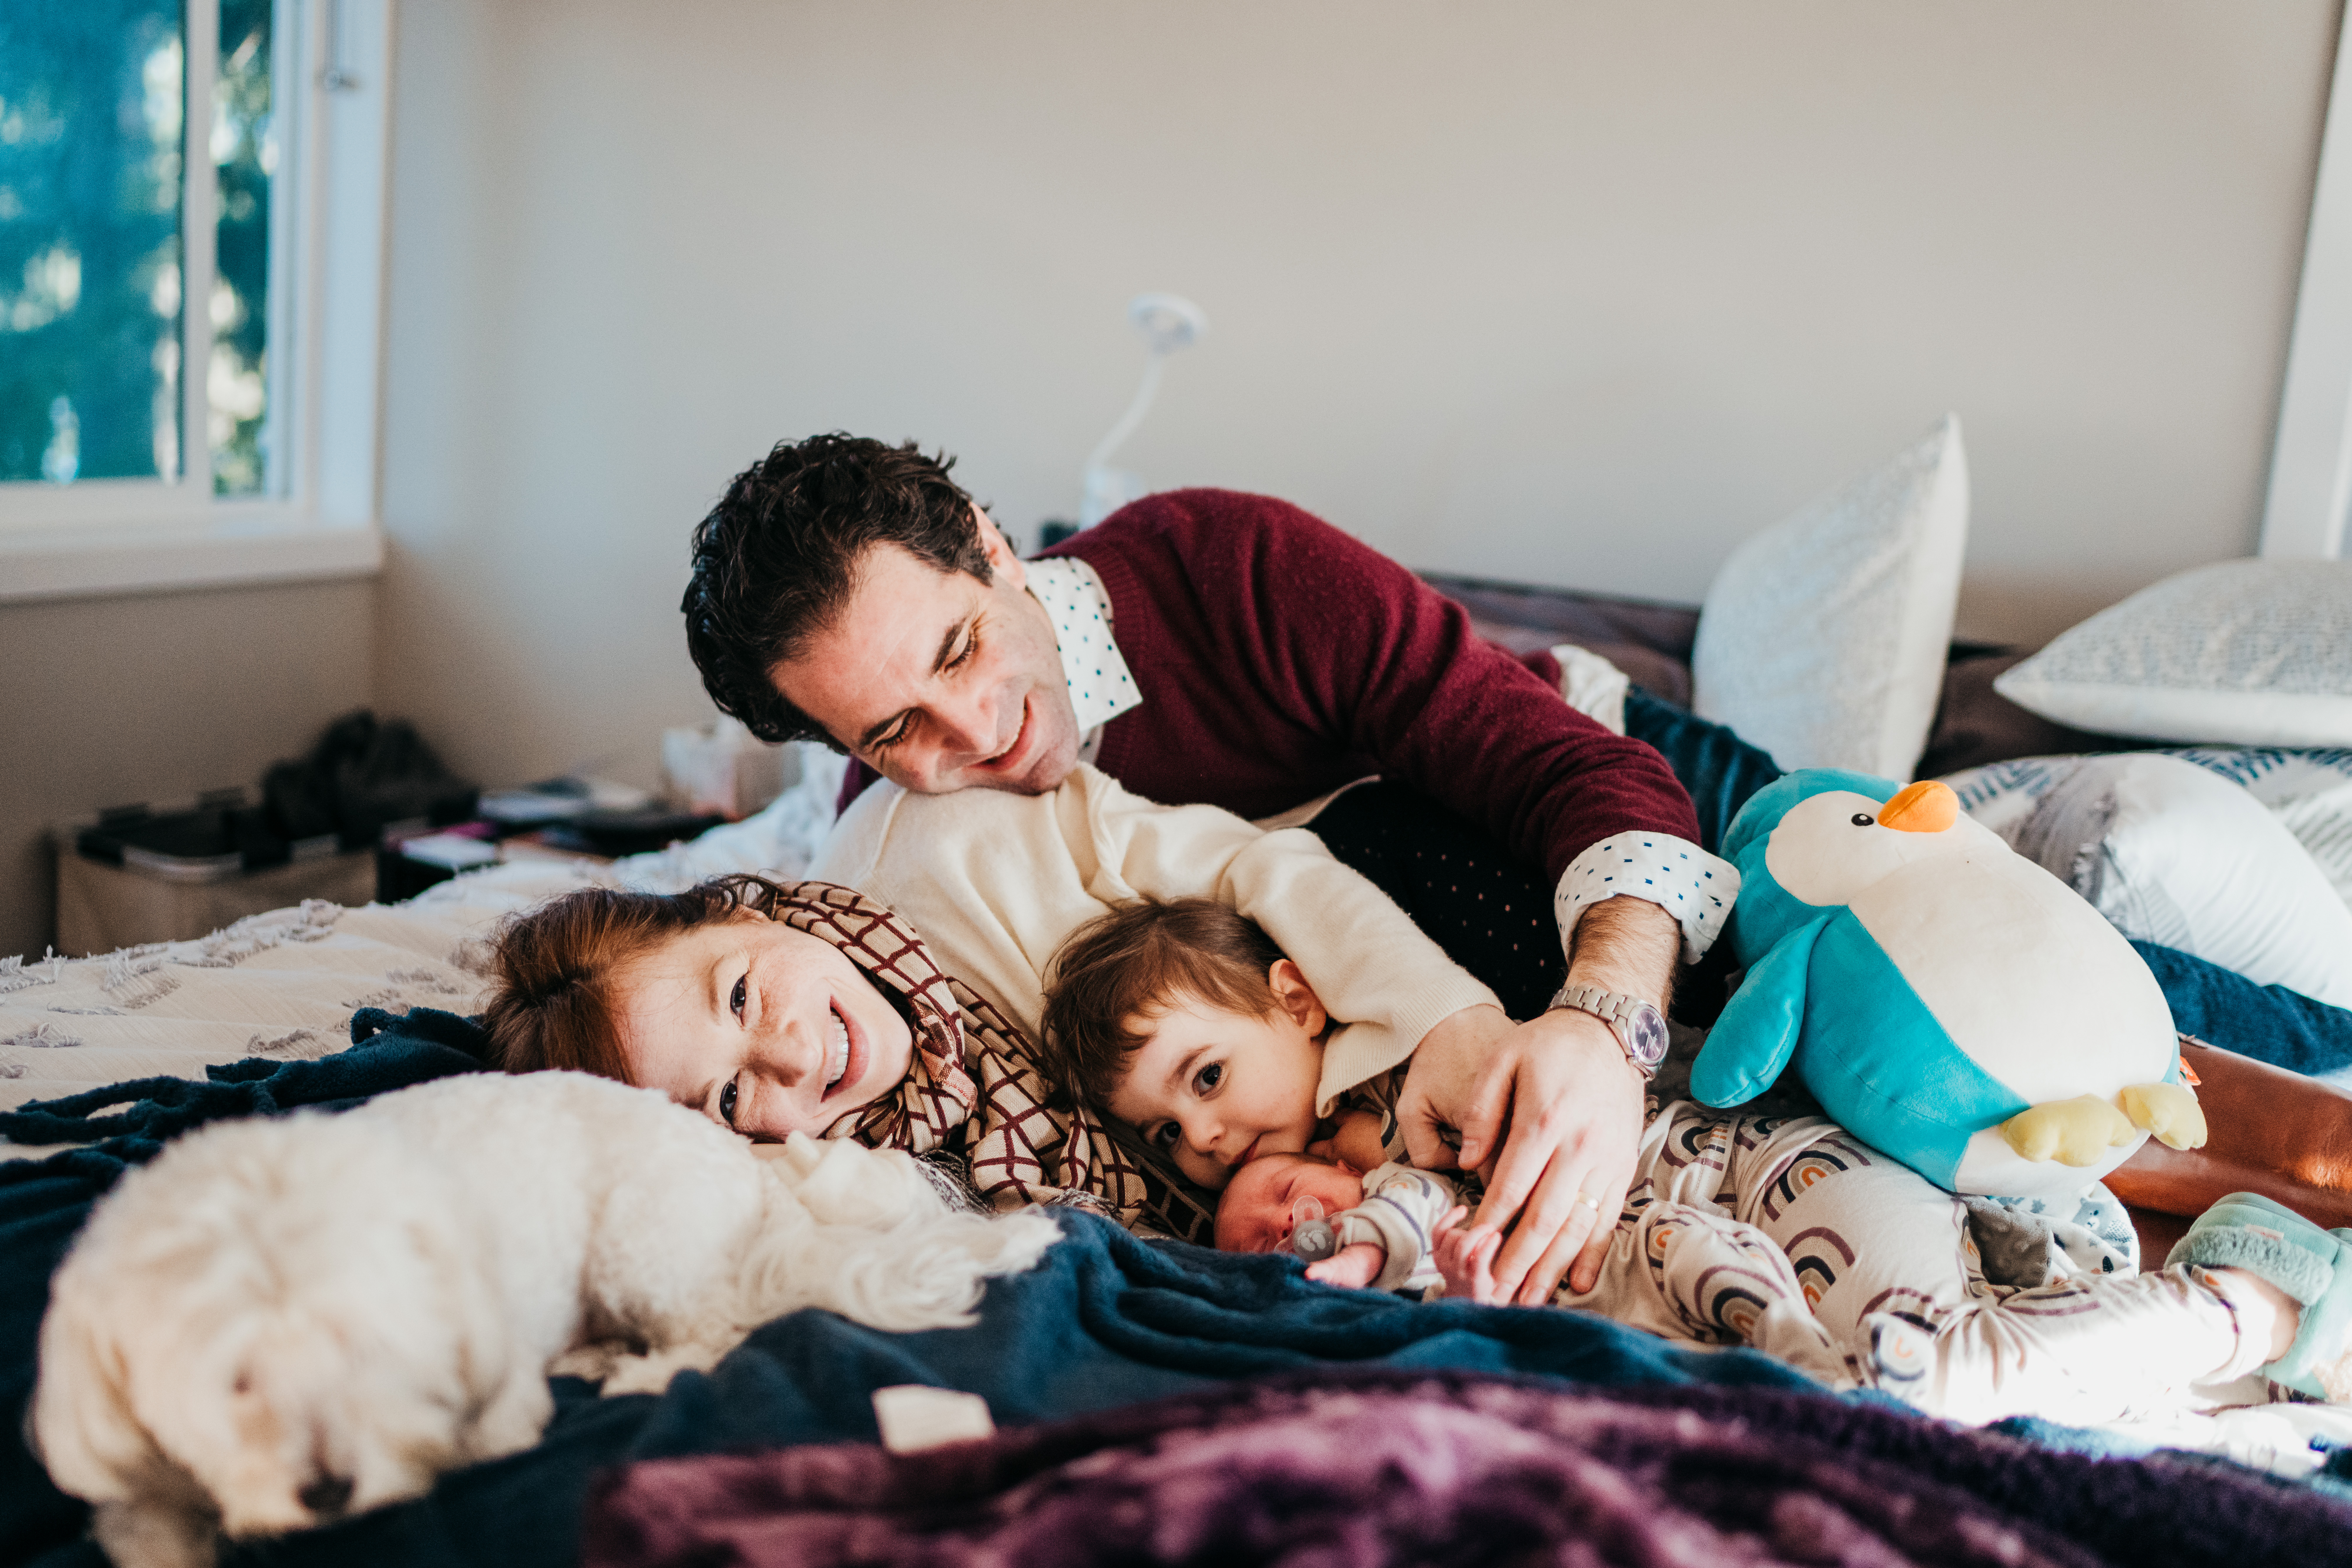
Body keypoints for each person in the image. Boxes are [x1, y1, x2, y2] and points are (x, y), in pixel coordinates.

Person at [681, 434, 1738, 1302]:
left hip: (1598, 755)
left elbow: (1577, 774)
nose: (977, 732)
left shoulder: (1231, 566)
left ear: (990, 547)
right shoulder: (898, 861)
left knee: (1860, 865)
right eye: (895, 727)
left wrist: (1607, 1028)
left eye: (958, 649)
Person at [1043, 895, 2352, 1424]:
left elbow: (1400, 1200)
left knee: (1918, 1362)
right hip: (1717, 1257)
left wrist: (1367, 1239)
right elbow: (1393, 1230)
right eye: (1166, 1134)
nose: (1205, 1141)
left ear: (1293, 997)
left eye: (1202, 1080)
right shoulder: (1341, 1173)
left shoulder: (1421, 1056)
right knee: (1877, 1374)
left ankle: (2233, 1304)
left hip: (1780, 1174)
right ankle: (2222, 1312)